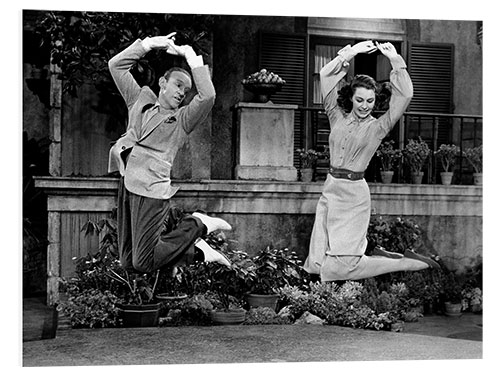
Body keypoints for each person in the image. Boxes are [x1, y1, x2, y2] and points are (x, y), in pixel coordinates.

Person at [303, 40, 440, 281]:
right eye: (359, 100)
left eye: (370, 101)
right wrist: (351, 52)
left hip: (355, 197)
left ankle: (405, 263)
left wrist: (396, 60)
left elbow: (405, 94)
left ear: (376, 101)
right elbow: (326, 74)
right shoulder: (336, 116)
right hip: (331, 189)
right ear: (351, 98)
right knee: (317, 261)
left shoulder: (378, 127)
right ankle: (381, 260)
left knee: (344, 266)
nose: (365, 106)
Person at [108, 32, 231, 274]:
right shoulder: (139, 99)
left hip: (152, 188)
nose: (181, 93)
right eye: (177, 85)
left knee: (142, 263)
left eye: (185, 91)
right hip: (127, 182)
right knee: (128, 262)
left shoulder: (182, 119)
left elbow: (208, 96)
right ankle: (198, 252)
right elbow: (116, 66)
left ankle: (197, 224)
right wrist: (148, 45)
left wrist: (191, 57)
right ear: (162, 83)